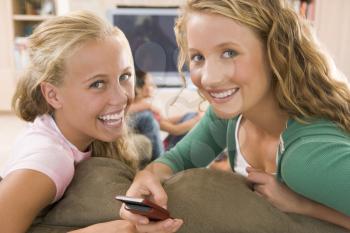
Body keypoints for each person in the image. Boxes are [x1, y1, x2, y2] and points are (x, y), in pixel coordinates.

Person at [120, 0, 350, 232]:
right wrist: (147, 176)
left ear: (275, 52)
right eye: (198, 57)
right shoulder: (232, 116)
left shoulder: (306, 158)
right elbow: (180, 160)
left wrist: (303, 206)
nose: (209, 79)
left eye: (229, 53)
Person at [0, 11, 139, 233]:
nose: (121, 97)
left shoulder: (79, 130)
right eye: (97, 84)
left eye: (124, 76)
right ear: (53, 95)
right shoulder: (49, 160)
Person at [128, 70, 202, 157]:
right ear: (138, 88)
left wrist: (190, 115)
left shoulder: (144, 109)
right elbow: (176, 130)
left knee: (190, 115)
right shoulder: (143, 112)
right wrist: (198, 119)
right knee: (192, 118)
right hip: (159, 152)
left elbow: (163, 121)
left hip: (157, 142)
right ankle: (167, 157)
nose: (154, 87)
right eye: (151, 84)